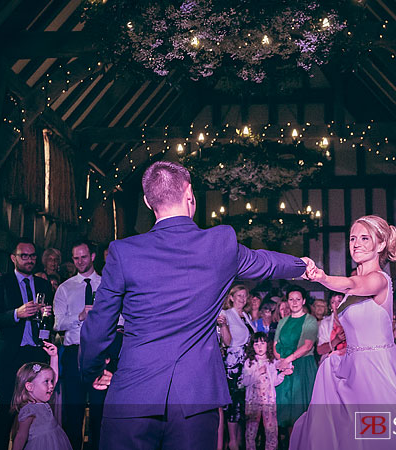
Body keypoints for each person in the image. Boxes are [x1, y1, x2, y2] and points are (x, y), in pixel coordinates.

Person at [78, 161, 309, 450]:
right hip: (196, 396)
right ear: (189, 193)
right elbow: (265, 262)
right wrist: (304, 266)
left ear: (149, 201)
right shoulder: (220, 242)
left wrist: (93, 371)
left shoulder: (124, 252)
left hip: (133, 394)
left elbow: (99, 324)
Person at [291, 215, 396, 449]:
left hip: (378, 369)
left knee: (384, 438)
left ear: (379, 245)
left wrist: (322, 277)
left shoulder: (379, 279)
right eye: (352, 238)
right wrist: (343, 352)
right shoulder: (352, 283)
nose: (356, 243)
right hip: (354, 367)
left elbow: (354, 285)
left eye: (364, 238)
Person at [0, 238, 53, 450]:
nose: (29, 260)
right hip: (9, 357)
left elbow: (50, 322)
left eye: (32, 256)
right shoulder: (1, 283)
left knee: (35, 414)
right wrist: (16, 314)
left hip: (35, 355)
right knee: (5, 414)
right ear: (14, 258)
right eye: (24, 256)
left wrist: (47, 316)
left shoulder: (43, 284)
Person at [53, 239, 101, 450]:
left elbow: (120, 318)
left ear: (92, 256)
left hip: (100, 354)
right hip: (73, 353)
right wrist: (79, 316)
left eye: (84, 257)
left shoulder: (108, 284)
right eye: (76, 258)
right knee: (73, 412)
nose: (80, 261)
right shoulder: (65, 288)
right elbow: (56, 323)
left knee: (100, 411)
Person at [274, 286, 318, 440]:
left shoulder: (310, 320)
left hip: (302, 367)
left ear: (303, 301)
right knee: (286, 413)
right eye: (291, 299)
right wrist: (282, 362)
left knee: (300, 413)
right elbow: (275, 346)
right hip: (285, 368)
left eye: (298, 299)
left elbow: (307, 346)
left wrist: (287, 360)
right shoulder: (283, 321)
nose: (294, 302)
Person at [12, 342, 71, 450]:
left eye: (51, 381)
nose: (51, 385)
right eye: (46, 382)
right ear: (30, 387)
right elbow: (21, 437)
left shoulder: (42, 402)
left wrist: (54, 357)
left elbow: (54, 377)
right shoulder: (29, 410)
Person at [241, 332, 290, 450]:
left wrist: (282, 374)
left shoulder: (271, 361)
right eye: (256, 344)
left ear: (267, 345)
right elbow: (244, 382)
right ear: (252, 346)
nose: (259, 347)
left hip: (269, 401)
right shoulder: (249, 362)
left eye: (262, 343)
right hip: (253, 402)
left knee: (271, 431)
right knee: (251, 433)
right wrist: (257, 373)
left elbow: (274, 382)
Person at [219, 284, 254, 450]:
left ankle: (238, 443)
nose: (242, 298)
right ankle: (231, 443)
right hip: (233, 366)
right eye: (239, 295)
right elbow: (226, 342)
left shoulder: (245, 315)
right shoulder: (225, 314)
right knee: (233, 406)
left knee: (242, 405)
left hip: (246, 364)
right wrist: (223, 325)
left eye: (245, 295)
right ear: (231, 297)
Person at [316, 291, 346, 365]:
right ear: (330, 306)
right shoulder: (325, 323)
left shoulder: (353, 320)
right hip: (330, 363)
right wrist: (336, 340)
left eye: (339, 301)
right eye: (333, 302)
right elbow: (320, 350)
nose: (337, 305)